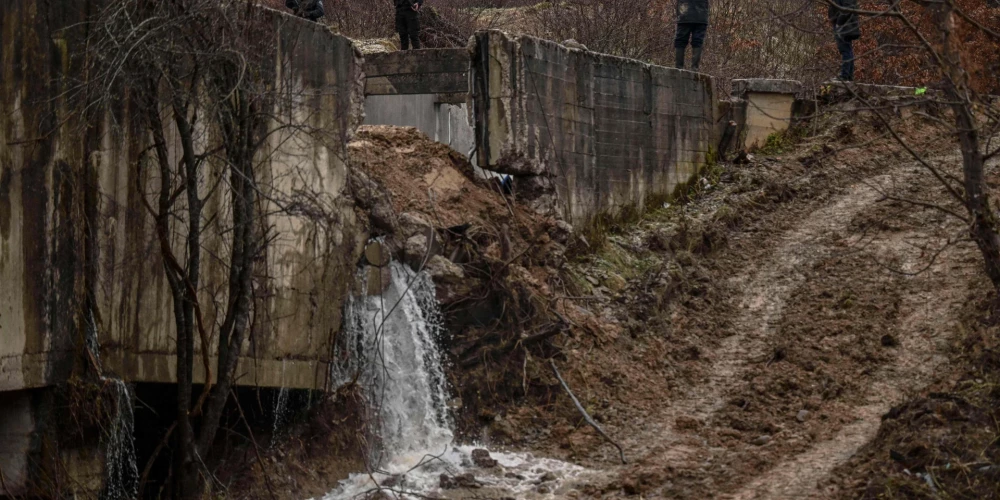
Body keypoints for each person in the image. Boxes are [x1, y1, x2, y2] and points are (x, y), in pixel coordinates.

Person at [829, 0, 861, 81]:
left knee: (845, 50)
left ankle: (845, 75)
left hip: (845, 25)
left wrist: (839, 22)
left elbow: (848, 8)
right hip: (845, 24)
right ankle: (848, 75)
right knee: (847, 49)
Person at [674, 0, 709, 71]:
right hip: (701, 12)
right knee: (698, 41)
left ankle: (678, 68)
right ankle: (694, 69)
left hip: (684, 12)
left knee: (680, 40)